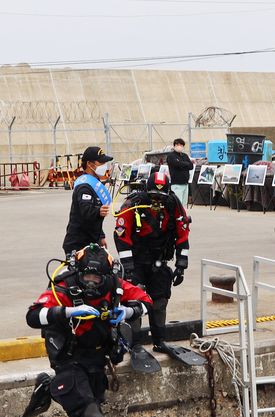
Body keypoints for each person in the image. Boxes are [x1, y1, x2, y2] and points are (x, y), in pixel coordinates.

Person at [26, 243, 151, 417]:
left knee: (92, 407)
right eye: (86, 277)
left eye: (96, 277)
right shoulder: (64, 286)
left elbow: (146, 301)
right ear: (79, 272)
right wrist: (68, 310)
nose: (91, 282)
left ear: (106, 275)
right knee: (90, 414)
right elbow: (32, 316)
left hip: (96, 359)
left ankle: (49, 387)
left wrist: (127, 311)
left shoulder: (114, 284)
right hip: (69, 358)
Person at [114, 170, 190, 352]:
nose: (156, 200)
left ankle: (159, 341)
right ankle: (135, 343)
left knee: (160, 301)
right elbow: (121, 237)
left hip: (158, 261)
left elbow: (182, 233)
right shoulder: (133, 204)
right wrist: (129, 269)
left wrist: (181, 266)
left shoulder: (173, 205)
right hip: (136, 261)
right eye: (153, 195)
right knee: (134, 301)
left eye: (161, 196)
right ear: (147, 191)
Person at [62, 146, 114, 255]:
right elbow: (85, 210)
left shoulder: (95, 184)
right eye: (101, 162)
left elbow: (94, 220)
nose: (104, 166)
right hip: (78, 244)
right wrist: (98, 211)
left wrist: (101, 236)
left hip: (92, 241)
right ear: (90, 164)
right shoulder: (84, 187)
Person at [166, 138, 193, 208]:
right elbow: (175, 164)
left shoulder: (185, 156)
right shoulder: (171, 156)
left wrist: (181, 165)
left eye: (181, 144)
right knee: (177, 204)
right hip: (176, 184)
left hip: (185, 183)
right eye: (177, 144)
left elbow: (191, 166)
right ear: (174, 145)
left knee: (183, 204)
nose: (179, 146)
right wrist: (184, 164)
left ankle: (182, 217)